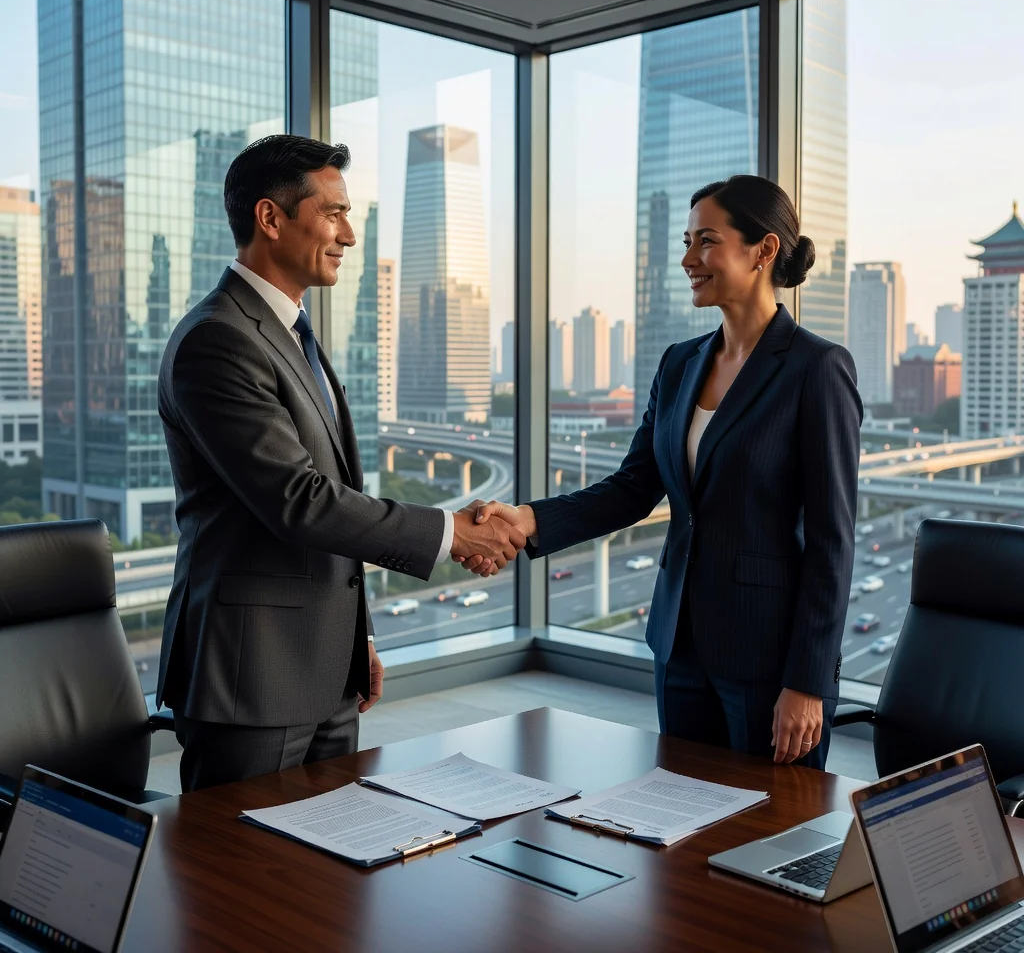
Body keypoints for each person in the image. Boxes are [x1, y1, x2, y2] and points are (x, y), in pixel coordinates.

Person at [157, 135, 524, 792]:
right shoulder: (218, 340)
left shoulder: (295, 335)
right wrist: (452, 532)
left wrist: (361, 639)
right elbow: (299, 501)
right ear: (271, 218)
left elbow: (335, 499)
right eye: (332, 213)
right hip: (253, 676)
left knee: (327, 880)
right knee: (240, 879)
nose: (349, 235)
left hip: (327, 668)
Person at [467, 175, 862, 769]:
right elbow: (632, 488)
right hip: (678, 646)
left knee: (770, 833)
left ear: (764, 250)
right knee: (678, 826)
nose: (688, 259)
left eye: (707, 241)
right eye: (686, 241)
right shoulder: (681, 363)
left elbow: (833, 541)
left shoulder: (817, 368)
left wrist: (808, 681)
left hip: (768, 659)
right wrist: (525, 519)